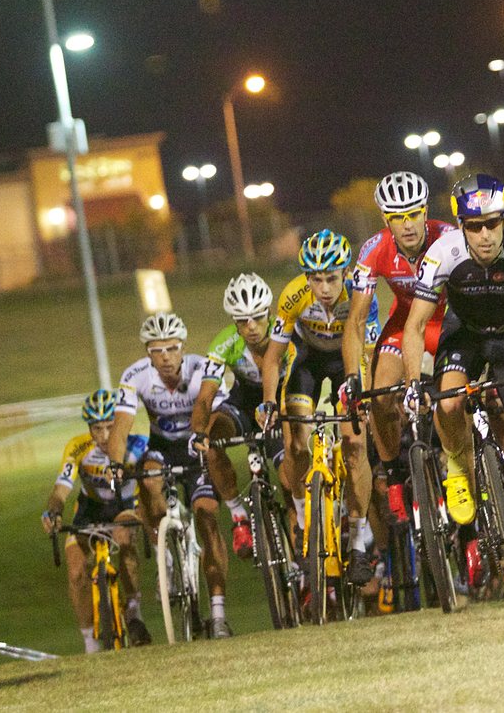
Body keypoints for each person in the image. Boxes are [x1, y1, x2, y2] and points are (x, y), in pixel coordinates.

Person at [401, 174, 504, 595]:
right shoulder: (443, 253)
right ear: (461, 227)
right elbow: (416, 324)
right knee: (449, 404)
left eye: (493, 223)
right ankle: (457, 465)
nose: (486, 234)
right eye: (475, 226)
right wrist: (412, 383)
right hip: (466, 334)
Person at [259, 228, 379, 586]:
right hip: (308, 362)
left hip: (349, 360)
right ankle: (301, 520)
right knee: (296, 441)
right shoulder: (295, 295)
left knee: (356, 446)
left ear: (344, 274)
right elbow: (272, 358)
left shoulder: (361, 294)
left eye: (331, 279)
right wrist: (268, 402)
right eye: (316, 279)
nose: (323, 288)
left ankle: (358, 544)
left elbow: (366, 354)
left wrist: (363, 395)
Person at [107, 312, 235, 638]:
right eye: (156, 350)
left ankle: (218, 613)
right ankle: (164, 551)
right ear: (147, 353)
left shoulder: (201, 369)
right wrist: (115, 462)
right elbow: (121, 426)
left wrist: (208, 444)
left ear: (183, 347)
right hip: (162, 448)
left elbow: (214, 412)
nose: (164, 357)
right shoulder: (136, 375)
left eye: (171, 348)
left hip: (197, 447)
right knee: (147, 477)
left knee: (207, 518)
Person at [341, 173, 456, 526]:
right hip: (404, 324)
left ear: (425, 212)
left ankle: (459, 476)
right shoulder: (374, 249)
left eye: (413, 214)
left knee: (451, 402)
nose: (407, 225)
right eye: (397, 217)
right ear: (385, 219)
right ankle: (392, 474)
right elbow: (356, 322)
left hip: (447, 321)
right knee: (379, 397)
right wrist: (351, 378)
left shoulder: (449, 237)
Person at [42, 389, 152, 652]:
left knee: (124, 538)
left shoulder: (137, 445)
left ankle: (134, 613)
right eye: (96, 428)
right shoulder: (78, 447)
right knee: (76, 570)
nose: (104, 437)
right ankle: (90, 641)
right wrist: (54, 512)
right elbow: (60, 489)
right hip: (90, 509)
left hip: (124, 506)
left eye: (110, 427)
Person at [190, 273, 277, 560]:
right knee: (213, 438)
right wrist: (199, 430)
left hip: (279, 402)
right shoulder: (224, 343)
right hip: (243, 402)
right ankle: (238, 516)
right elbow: (206, 396)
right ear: (234, 322)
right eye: (242, 321)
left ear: (269, 312)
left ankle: (303, 519)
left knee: (290, 474)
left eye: (257, 317)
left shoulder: (284, 333)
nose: (251, 327)